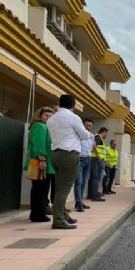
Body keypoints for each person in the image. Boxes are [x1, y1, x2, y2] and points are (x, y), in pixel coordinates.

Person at [45, 94, 91, 229]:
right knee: (63, 189)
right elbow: (84, 135)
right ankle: (58, 220)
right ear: (73, 105)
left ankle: (64, 215)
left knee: (59, 187)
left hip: (56, 154)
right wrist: (80, 134)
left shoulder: (52, 119)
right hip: (69, 155)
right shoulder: (73, 117)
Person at [23, 106, 55, 222]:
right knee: (40, 189)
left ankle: (37, 214)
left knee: (40, 189)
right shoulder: (40, 127)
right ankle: (38, 215)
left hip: (43, 162)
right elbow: (39, 145)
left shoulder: (44, 127)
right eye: (46, 115)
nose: (49, 118)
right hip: (40, 162)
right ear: (40, 116)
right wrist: (42, 160)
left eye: (51, 116)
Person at [73, 118, 94, 212]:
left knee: (84, 181)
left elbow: (91, 147)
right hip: (79, 159)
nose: (88, 127)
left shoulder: (92, 136)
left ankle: (80, 201)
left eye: (90, 126)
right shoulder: (77, 133)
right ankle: (78, 203)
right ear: (82, 125)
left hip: (88, 159)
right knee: (79, 181)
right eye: (86, 125)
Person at [88, 127, 108, 202]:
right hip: (96, 160)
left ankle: (91, 194)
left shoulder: (97, 137)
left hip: (95, 159)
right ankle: (94, 196)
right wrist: (99, 156)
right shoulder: (98, 137)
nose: (106, 135)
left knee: (93, 178)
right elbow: (94, 146)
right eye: (106, 133)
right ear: (104, 132)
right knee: (96, 178)